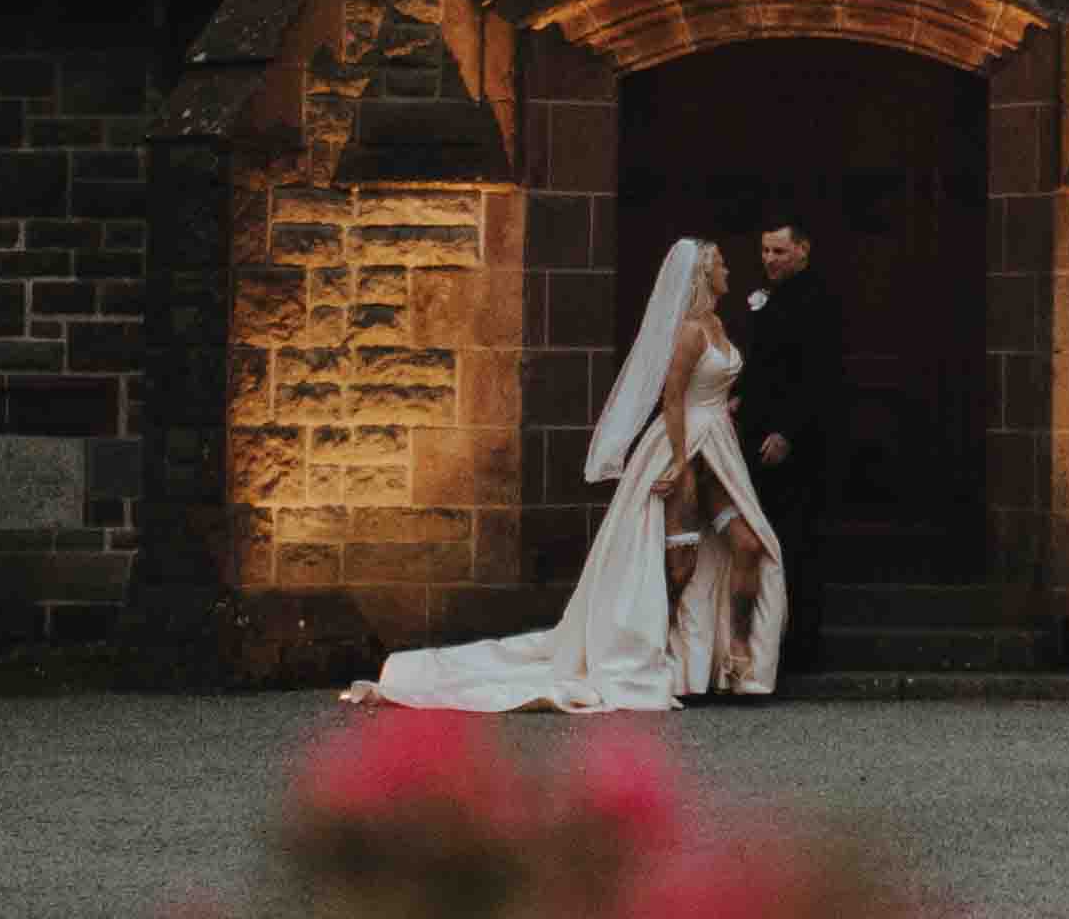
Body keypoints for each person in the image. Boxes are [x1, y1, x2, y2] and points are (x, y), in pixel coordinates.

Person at [344, 237, 787, 711]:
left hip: (718, 445)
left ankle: (734, 656)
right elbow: (673, 399)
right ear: (702, 272)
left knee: (748, 544)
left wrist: (730, 406)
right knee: (679, 561)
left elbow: (710, 386)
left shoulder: (715, 324)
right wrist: (678, 462)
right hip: (685, 447)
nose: (727, 268)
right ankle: (667, 656)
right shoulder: (688, 333)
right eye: (719, 262)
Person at [728, 216, 833, 535]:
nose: (769, 258)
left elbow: (817, 372)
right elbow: (763, 359)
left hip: (793, 434)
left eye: (779, 251)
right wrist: (739, 395)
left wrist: (787, 432)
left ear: (803, 250)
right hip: (756, 425)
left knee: (791, 523)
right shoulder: (771, 293)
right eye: (765, 250)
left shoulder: (818, 299)